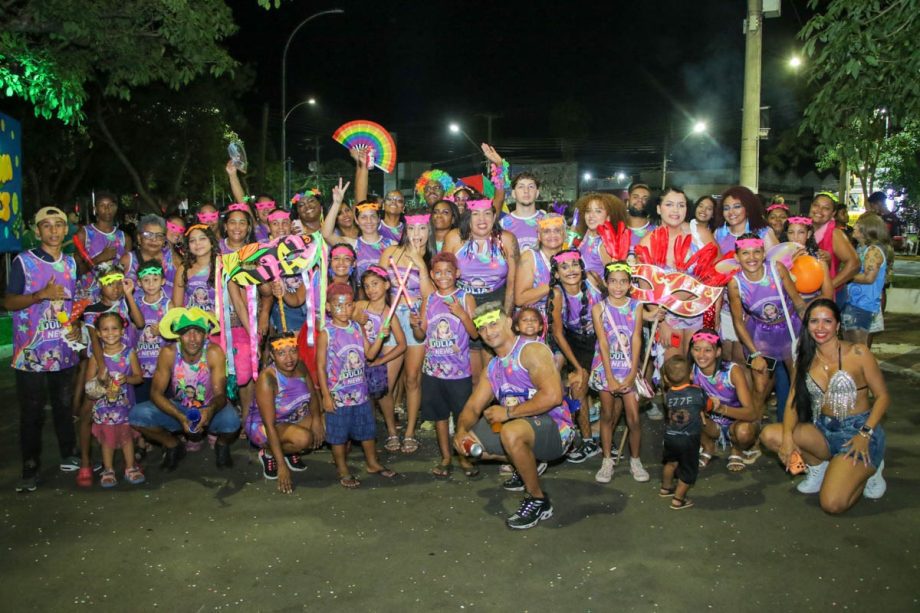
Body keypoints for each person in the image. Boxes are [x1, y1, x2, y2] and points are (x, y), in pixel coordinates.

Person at [759, 299, 888, 512]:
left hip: (858, 432)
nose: (820, 328)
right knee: (771, 435)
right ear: (807, 325)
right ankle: (818, 467)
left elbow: (883, 397)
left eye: (827, 321)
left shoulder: (858, 353)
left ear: (837, 325)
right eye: (814, 321)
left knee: (833, 504)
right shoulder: (805, 357)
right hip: (823, 430)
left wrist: (865, 434)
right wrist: (789, 439)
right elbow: (792, 400)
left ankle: (871, 470)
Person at [453, 303, 575, 530]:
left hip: (558, 430)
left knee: (510, 431)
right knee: (470, 445)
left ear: (509, 322)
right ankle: (526, 463)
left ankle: (538, 500)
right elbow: (472, 408)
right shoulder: (493, 367)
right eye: (482, 328)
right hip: (523, 425)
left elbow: (553, 396)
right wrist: (460, 432)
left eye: (493, 323)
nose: (489, 331)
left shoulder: (531, 351)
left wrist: (507, 412)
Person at [5, 207, 83, 492]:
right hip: (30, 355)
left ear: (66, 230)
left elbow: (73, 305)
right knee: (32, 412)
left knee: (64, 406)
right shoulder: (23, 263)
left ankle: (69, 454)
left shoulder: (72, 264)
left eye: (59, 225)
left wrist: (76, 326)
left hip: (63, 349)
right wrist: (40, 295)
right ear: (37, 232)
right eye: (47, 226)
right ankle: (30, 467)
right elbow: (9, 302)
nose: (53, 231)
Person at [129, 307, 241, 471]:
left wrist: (209, 411)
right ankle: (173, 445)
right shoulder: (169, 353)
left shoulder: (214, 353)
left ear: (205, 334)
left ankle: (222, 445)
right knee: (137, 415)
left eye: (198, 332)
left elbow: (220, 395)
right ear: (179, 335)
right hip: (179, 407)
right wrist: (181, 417)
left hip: (208, 407)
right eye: (187, 332)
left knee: (232, 422)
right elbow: (155, 393)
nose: (193, 338)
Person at [316, 283, 397, 488]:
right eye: (338, 306)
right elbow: (320, 365)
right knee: (338, 435)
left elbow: (370, 355)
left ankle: (372, 463)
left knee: (367, 430)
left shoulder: (356, 327)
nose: (344, 310)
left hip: (360, 393)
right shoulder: (327, 333)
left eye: (349, 305)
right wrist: (325, 395)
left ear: (354, 306)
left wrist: (381, 335)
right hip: (338, 396)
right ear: (328, 307)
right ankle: (342, 468)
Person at [413, 252, 478, 478]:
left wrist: (462, 314)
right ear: (431, 275)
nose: (443, 276)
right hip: (433, 371)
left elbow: (475, 334)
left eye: (448, 272)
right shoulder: (429, 300)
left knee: (462, 417)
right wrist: (416, 325)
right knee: (440, 417)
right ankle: (446, 457)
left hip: (459, 372)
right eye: (438, 272)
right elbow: (421, 335)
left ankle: (463, 457)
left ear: (457, 273)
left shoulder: (465, 297)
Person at [726, 233, 806, 416]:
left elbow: (798, 302)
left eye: (756, 252)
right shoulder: (735, 283)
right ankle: (753, 431)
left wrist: (811, 330)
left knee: (796, 384)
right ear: (737, 257)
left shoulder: (776, 269)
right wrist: (754, 354)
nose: (752, 258)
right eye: (745, 253)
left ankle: (792, 429)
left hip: (789, 330)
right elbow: (738, 321)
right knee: (760, 388)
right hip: (761, 335)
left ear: (764, 254)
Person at [444, 199, 519, 381]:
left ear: (494, 216)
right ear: (468, 217)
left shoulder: (507, 239)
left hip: (496, 303)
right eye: (476, 214)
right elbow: (444, 276)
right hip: (464, 304)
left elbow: (512, 284)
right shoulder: (455, 237)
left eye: (487, 213)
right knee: (472, 374)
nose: (481, 219)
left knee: (494, 370)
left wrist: (506, 318)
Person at [379, 211, 434, 453]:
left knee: (413, 379)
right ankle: (391, 430)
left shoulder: (432, 258)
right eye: (413, 229)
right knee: (386, 383)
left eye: (423, 229)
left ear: (429, 231)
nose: (417, 234)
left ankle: (410, 431)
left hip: (415, 320)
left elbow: (430, 295)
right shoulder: (390, 252)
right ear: (405, 230)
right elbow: (377, 286)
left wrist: (420, 262)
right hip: (391, 319)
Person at [547, 249, 604, 466]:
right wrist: (577, 366)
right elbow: (559, 333)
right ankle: (588, 441)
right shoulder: (557, 293)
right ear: (557, 273)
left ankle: (607, 436)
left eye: (574, 264)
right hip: (575, 342)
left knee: (610, 390)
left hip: (601, 338)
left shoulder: (592, 280)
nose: (571, 270)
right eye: (564, 267)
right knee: (578, 386)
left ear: (581, 266)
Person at [589, 262, 644, 483]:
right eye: (613, 281)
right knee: (607, 415)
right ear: (606, 283)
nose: (618, 286)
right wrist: (610, 377)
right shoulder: (599, 308)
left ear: (630, 284)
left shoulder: (636, 306)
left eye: (623, 281)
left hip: (628, 368)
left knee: (634, 417)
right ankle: (606, 460)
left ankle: (636, 460)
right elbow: (602, 342)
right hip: (606, 368)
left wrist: (632, 373)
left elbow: (637, 337)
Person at [248, 333, 323, 494]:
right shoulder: (268, 379)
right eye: (282, 353)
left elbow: (313, 395)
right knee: (304, 439)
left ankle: (290, 451)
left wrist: (316, 420)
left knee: (328, 422)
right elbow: (269, 425)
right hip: (264, 426)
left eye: (292, 351)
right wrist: (281, 466)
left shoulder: (300, 366)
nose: (289, 358)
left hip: (293, 417)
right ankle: (269, 453)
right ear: (273, 356)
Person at [713, 185, 778, 365]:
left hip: (756, 309)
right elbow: (713, 270)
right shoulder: (719, 234)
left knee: (747, 359)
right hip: (726, 307)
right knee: (727, 357)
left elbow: (776, 270)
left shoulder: (763, 232)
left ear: (748, 207)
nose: (731, 212)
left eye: (737, 206)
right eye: (726, 208)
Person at [84, 312, 145, 487]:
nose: (110, 333)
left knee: (127, 438)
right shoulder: (96, 358)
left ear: (122, 331)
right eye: (105, 329)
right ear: (98, 333)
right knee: (107, 440)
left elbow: (139, 377)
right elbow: (88, 386)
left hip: (125, 407)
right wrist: (102, 383)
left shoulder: (129, 353)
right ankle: (108, 469)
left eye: (114, 328)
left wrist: (127, 379)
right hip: (104, 409)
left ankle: (130, 467)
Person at [352, 266, 407, 453]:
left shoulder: (388, 314)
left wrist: (380, 362)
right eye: (366, 286)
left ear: (386, 285)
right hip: (358, 355)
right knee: (362, 392)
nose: (371, 290)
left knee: (383, 392)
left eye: (375, 284)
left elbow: (402, 345)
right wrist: (357, 322)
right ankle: (363, 431)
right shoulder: (359, 306)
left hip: (381, 353)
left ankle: (392, 431)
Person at [689, 329, 760, 472]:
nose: (701, 355)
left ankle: (737, 449)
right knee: (685, 410)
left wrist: (722, 409)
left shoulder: (732, 371)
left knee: (744, 432)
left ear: (718, 352)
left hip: (737, 424)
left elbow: (752, 413)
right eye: (697, 349)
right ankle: (708, 446)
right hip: (711, 424)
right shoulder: (691, 370)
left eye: (708, 350)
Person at [660, 355, 713, 510]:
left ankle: (665, 488)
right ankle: (678, 499)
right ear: (691, 375)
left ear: (666, 378)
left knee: (670, 463)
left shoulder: (668, 395)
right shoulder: (698, 392)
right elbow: (707, 406)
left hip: (670, 437)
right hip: (689, 439)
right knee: (689, 471)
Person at [75, 191, 132, 302]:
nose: (107, 209)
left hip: (114, 297)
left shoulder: (124, 238)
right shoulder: (84, 234)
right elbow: (77, 270)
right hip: (88, 297)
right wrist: (100, 258)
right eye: (102, 205)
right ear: (95, 209)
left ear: (116, 208)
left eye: (111, 205)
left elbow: (126, 273)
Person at [843, 213, 888, 346]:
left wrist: (844, 277)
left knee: (858, 348)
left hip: (863, 306)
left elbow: (869, 278)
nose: (855, 226)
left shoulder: (873, 250)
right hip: (854, 303)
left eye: (858, 223)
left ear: (867, 229)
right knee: (851, 347)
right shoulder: (861, 248)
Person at [809, 192, 859, 304]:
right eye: (816, 205)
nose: (819, 210)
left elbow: (854, 264)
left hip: (831, 296)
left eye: (826, 208)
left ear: (833, 213)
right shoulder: (804, 230)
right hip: (809, 293)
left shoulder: (835, 234)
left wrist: (829, 286)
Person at [134, 260, 171, 403]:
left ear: (163, 281)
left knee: (165, 404)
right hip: (141, 367)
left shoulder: (168, 304)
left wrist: (164, 332)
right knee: (142, 404)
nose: (150, 284)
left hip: (163, 369)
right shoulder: (136, 304)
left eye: (155, 279)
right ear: (139, 283)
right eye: (146, 280)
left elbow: (177, 333)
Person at [575, 192, 628, 283]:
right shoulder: (588, 235)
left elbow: (613, 281)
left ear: (608, 218)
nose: (591, 215)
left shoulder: (604, 245)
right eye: (588, 211)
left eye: (598, 211)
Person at [498, 172, 545, 251]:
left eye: (531, 186)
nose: (526, 191)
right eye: (521, 187)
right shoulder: (503, 224)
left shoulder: (546, 220)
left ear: (537, 193)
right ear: (513, 193)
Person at [625, 183, 655, 249]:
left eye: (645, 198)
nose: (640, 201)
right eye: (635, 197)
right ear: (628, 202)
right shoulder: (617, 230)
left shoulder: (657, 232)